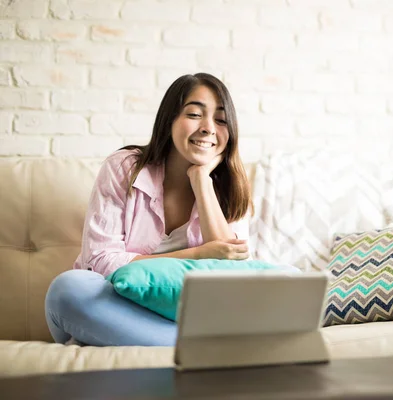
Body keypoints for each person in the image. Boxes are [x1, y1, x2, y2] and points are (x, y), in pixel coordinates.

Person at [45, 73, 256, 347]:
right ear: (169, 120)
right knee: (67, 290)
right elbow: (99, 261)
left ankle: (137, 342)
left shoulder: (231, 186)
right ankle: (199, 347)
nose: (208, 128)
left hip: (183, 318)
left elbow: (232, 271)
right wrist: (199, 254)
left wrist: (201, 181)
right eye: (194, 114)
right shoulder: (125, 168)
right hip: (113, 307)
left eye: (221, 120)